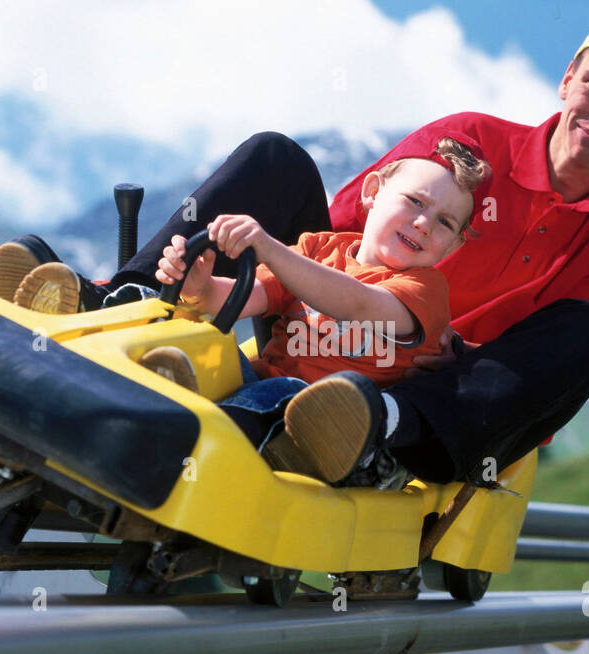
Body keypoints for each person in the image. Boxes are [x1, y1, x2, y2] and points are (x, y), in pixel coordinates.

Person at [0, 14, 589, 488]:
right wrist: (229, 277)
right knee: (277, 159)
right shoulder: (469, 138)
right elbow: (344, 233)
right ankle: (132, 303)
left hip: (437, 382)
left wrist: (444, 355)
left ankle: (377, 427)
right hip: (329, 316)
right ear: (567, 79)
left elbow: (551, 347)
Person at [152, 136, 488, 481]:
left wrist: (269, 248)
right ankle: (174, 395)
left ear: (454, 245)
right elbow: (243, 298)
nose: (423, 224)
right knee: (214, 346)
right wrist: (199, 287)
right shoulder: (317, 248)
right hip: (263, 388)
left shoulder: (426, 290)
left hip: (336, 431)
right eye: (415, 201)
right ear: (372, 190)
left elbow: (359, 304)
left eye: (445, 222)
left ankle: (197, 429)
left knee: (284, 394)